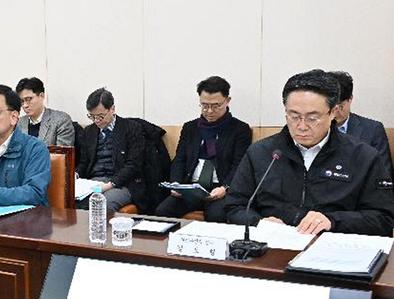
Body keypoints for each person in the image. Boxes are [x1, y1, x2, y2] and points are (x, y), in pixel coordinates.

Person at [225, 69, 394, 237]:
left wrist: (333, 221)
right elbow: (234, 206)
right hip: (272, 244)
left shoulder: (363, 156)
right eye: (294, 116)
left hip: (333, 246)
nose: (302, 126)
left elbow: (383, 218)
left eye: (312, 118)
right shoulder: (261, 152)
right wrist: (259, 222)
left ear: (333, 112)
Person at [155, 76, 251, 222]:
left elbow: (239, 165)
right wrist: (176, 184)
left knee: (217, 216)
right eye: (204, 105)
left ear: (227, 100)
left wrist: (225, 188)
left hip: (219, 189)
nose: (209, 111)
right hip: (190, 187)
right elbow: (180, 159)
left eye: (216, 106)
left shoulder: (240, 129)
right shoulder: (190, 128)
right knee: (162, 211)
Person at [76, 88, 144, 212]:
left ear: (112, 109)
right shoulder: (89, 132)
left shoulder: (131, 128)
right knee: (73, 201)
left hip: (122, 183)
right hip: (94, 182)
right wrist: (75, 175)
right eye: (92, 116)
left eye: (100, 116)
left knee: (103, 204)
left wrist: (110, 184)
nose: (96, 121)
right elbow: (84, 162)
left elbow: (133, 165)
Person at [328, 71, 392, 169]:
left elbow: (384, 172)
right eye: (331, 107)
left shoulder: (373, 130)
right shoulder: (312, 128)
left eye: (340, 106)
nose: (335, 113)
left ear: (350, 99)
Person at [16, 77, 74, 147]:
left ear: (42, 96)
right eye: (22, 101)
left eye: (28, 99)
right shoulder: (18, 123)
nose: (25, 105)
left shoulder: (61, 120)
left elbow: (62, 153)